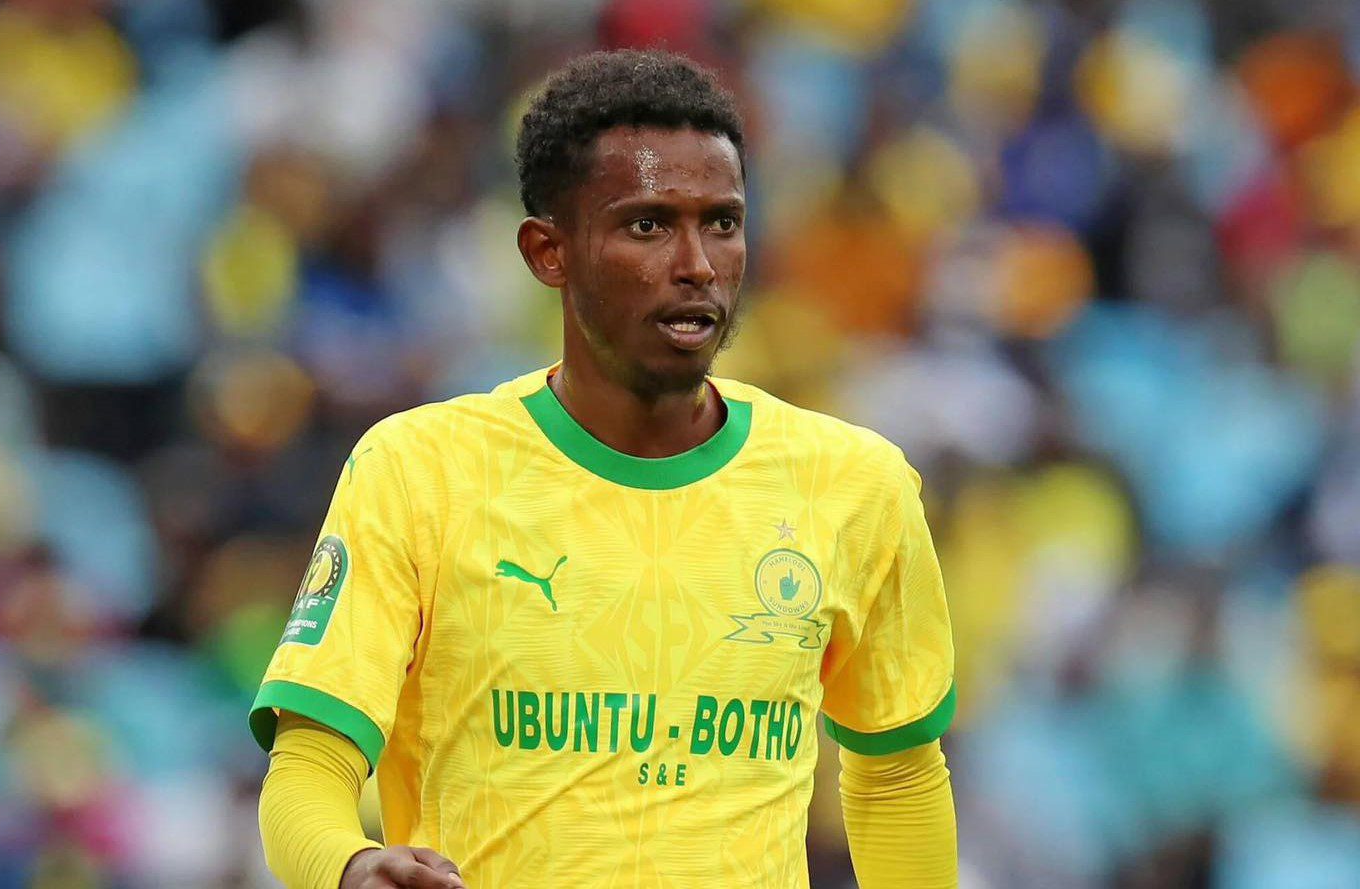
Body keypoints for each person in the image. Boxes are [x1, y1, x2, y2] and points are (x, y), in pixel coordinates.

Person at [252, 49, 957, 889]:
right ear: (548, 251)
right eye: (648, 225)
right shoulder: (419, 472)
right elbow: (310, 764)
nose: (698, 264)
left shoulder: (854, 485)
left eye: (722, 222)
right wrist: (348, 864)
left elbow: (898, 775)